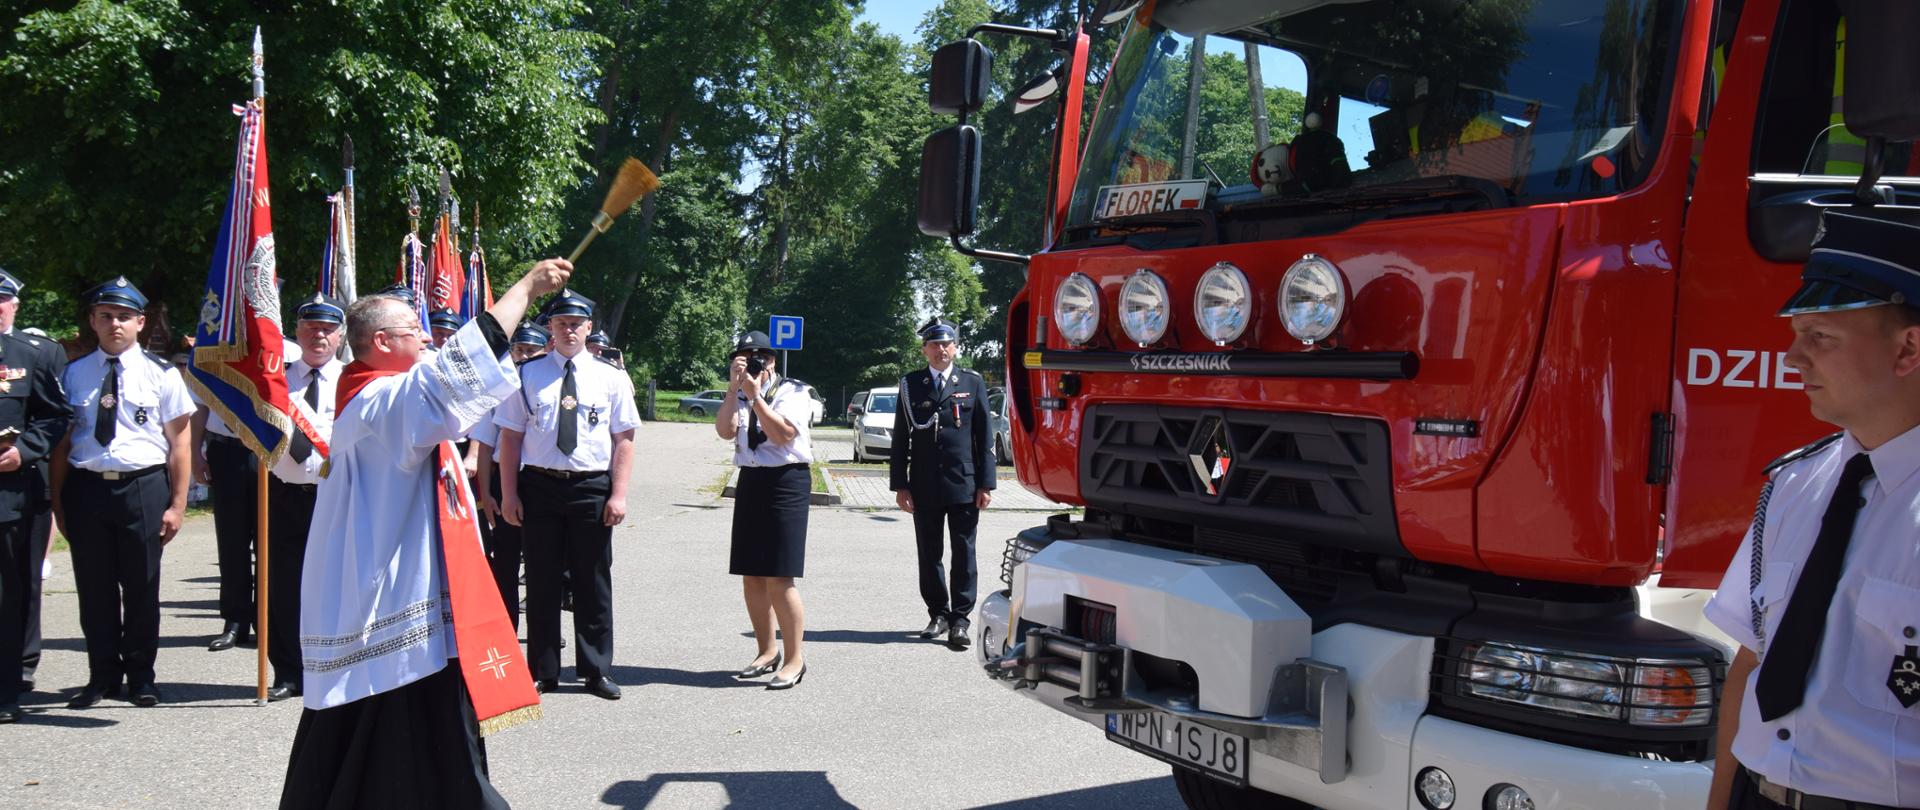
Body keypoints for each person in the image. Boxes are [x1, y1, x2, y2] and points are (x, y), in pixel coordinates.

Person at [281, 259, 569, 810]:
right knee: (394, 717)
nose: (427, 338)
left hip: (415, 587)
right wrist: (526, 289)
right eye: (414, 330)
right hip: (391, 596)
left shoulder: (384, 398)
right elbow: (456, 371)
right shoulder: (379, 402)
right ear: (382, 342)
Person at [1704, 211, 1920, 810]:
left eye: (1821, 336)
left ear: (1908, 348)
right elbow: (1752, 662)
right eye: (1798, 333)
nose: (1794, 357)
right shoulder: (1795, 484)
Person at [51, 278, 195, 709]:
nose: (115, 324)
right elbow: (62, 444)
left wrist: (178, 504)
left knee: (141, 587)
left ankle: (141, 677)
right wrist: (58, 502)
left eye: (124, 317)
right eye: (106, 316)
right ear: (93, 321)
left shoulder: (162, 374)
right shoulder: (73, 374)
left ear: (140, 322)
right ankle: (102, 677)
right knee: (94, 588)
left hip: (142, 487)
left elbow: (180, 442)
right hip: (87, 488)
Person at [495, 290, 637, 700]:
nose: (569, 330)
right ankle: (542, 671)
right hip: (539, 486)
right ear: (550, 329)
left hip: (591, 487)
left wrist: (619, 494)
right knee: (541, 581)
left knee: (593, 581)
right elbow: (510, 438)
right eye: (561, 324)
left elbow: (624, 439)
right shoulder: (527, 374)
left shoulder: (610, 377)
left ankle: (596, 670)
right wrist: (509, 494)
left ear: (589, 328)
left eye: (576, 324)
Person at [890, 319, 995, 649]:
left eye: (946, 344)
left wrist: (986, 484)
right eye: (934, 345)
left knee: (964, 552)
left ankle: (960, 620)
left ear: (955, 348)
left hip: (964, 483)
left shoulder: (972, 382)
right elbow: (900, 439)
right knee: (929, 553)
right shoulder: (911, 384)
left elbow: (984, 437)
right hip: (924, 484)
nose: (941, 350)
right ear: (924, 350)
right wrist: (900, 485)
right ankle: (938, 613)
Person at [716, 330, 812, 689]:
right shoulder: (739, 392)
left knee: (779, 577)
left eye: (763, 358)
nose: (757, 365)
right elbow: (725, 431)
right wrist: (733, 390)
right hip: (752, 480)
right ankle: (766, 650)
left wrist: (756, 397)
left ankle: (794, 660)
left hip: (786, 482)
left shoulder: (793, 392)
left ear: (773, 361)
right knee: (752, 575)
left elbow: (783, 435)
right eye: (745, 358)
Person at [262, 294, 344, 703]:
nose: (319, 336)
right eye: (311, 328)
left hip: (334, 496)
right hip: (283, 494)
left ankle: (331, 666)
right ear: (297, 332)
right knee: (284, 585)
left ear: (341, 336)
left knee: (333, 585)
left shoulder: (352, 381)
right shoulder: (273, 380)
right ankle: (289, 672)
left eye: (327, 329)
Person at [0, 279, 72, 723]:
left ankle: (6, 689)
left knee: (10, 595)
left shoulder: (33, 354)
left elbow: (56, 414)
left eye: (1, 300)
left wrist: (24, 451)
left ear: (14, 305)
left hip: (10, 494)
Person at [472, 322, 551, 630]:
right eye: (519, 349)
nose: (523, 356)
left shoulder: (551, 385)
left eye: (531, 350)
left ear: (545, 350)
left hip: (538, 481)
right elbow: (484, 446)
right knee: (505, 561)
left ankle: (544, 633)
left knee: (542, 563)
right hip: (501, 482)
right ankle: (506, 631)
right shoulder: (498, 389)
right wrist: (485, 495)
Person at [191, 375, 258, 653]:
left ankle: (268, 619)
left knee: (270, 542)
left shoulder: (285, 355)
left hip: (269, 452)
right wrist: (195, 452)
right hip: (226, 449)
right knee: (231, 540)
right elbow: (200, 404)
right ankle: (235, 620)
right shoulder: (213, 353)